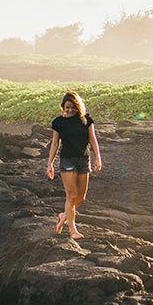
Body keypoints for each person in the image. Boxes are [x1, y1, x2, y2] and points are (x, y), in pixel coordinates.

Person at [46, 91, 102, 239]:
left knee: (81, 197)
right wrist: (49, 164)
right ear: (63, 107)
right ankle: (72, 230)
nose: (69, 110)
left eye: (72, 107)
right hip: (67, 161)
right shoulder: (58, 122)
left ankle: (63, 216)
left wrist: (98, 158)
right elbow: (54, 144)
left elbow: (93, 140)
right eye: (67, 107)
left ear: (78, 107)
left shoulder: (86, 120)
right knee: (71, 195)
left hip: (84, 160)